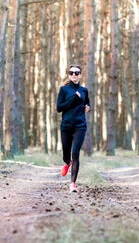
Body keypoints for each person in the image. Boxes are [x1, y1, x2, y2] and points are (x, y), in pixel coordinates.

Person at [56, 64, 91, 192]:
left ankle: (72, 184)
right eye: (72, 73)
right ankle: (67, 162)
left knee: (75, 153)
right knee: (67, 154)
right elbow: (59, 108)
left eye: (77, 73)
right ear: (69, 75)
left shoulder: (84, 90)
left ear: (80, 75)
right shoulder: (64, 90)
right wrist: (74, 98)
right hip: (66, 126)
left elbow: (87, 103)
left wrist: (88, 107)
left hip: (80, 126)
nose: (74, 75)